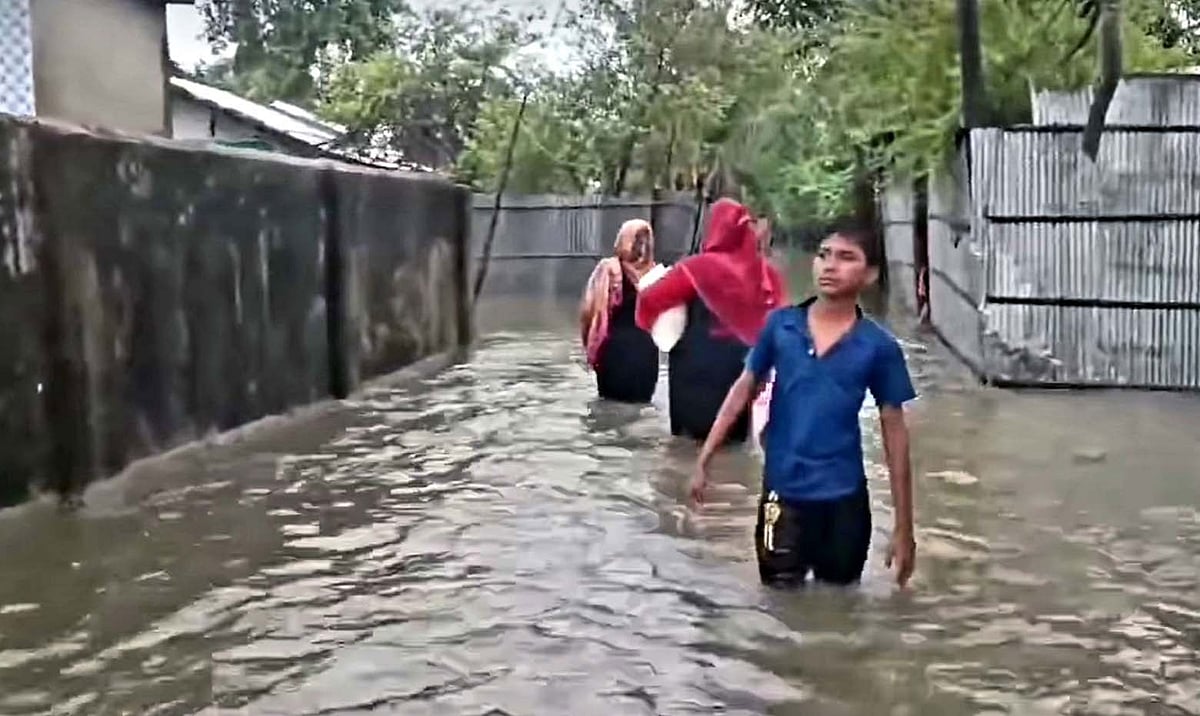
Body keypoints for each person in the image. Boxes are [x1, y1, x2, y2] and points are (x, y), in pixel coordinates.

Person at [691, 227, 918, 590]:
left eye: (846, 257)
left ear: (871, 274)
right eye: (824, 254)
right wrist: (705, 459)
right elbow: (743, 389)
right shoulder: (782, 326)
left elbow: (895, 434)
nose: (830, 266)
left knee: (839, 607)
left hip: (845, 502)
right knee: (778, 606)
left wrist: (905, 528)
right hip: (782, 497)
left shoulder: (879, 347)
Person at [635, 198, 786, 444]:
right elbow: (782, 324)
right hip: (743, 367)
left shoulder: (695, 268)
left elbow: (649, 301)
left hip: (694, 366)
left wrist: (657, 330)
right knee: (732, 441)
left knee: (687, 445)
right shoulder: (767, 274)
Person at [579, 218, 660, 404]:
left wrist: (589, 345)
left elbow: (589, 311)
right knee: (641, 406)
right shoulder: (656, 273)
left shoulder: (608, 269)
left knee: (608, 406)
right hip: (646, 351)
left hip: (613, 350)